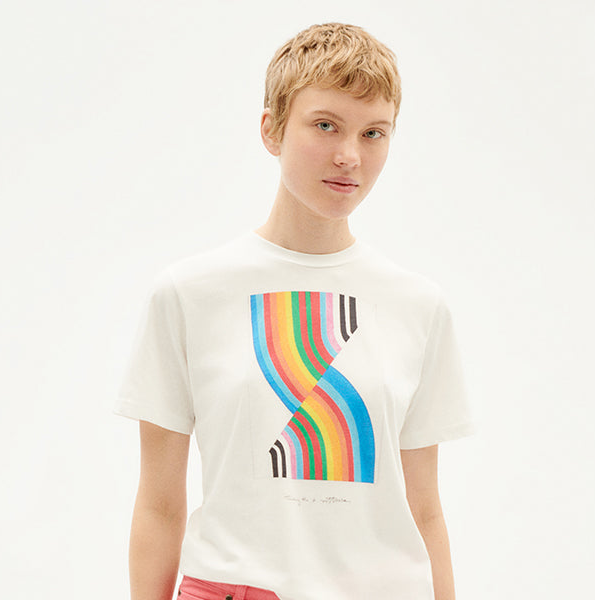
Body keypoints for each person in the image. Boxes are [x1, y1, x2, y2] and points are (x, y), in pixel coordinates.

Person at [115, 22, 475, 600]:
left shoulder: (418, 306)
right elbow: (159, 504)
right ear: (272, 129)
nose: (349, 156)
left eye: (373, 133)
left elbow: (425, 508)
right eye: (325, 125)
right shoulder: (189, 294)